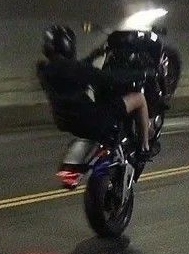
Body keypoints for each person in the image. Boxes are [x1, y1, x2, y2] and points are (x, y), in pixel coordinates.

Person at [36, 25, 155, 160]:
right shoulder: (73, 69)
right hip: (91, 119)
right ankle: (144, 148)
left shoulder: (46, 71)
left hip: (65, 121)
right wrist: (142, 74)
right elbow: (107, 77)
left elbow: (76, 69)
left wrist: (94, 56)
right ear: (66, 44)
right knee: (139, 98)